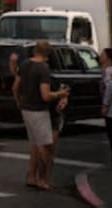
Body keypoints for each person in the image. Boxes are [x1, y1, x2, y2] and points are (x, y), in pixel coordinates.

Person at [12, 40, 70, 191]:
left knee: (36, 145)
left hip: (27, 109)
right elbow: (45, 96)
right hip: (39, 110)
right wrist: (60, 94)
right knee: (45, 146)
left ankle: (31, 177)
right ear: (47, 54)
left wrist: (19, 101)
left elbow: (15, 87)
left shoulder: (25, 64)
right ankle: (43, 180)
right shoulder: (43, 68)